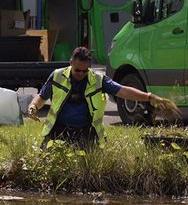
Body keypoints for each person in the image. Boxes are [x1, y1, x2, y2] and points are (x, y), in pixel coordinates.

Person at [26, 46, 175, 147]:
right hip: (57, 131)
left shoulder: (98, 80)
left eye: (85, 71)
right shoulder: (57, 75)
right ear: (71, 63)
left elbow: (123, 91)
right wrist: (33, 106)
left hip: (87, 133)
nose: (81, 74)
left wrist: (149, 97)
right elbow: (42, 96)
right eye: (77, 70)